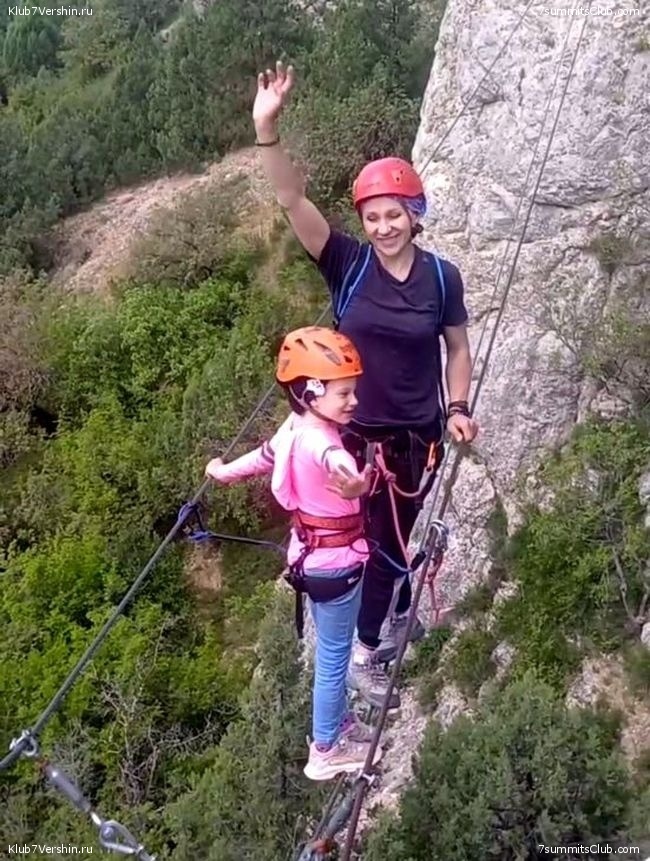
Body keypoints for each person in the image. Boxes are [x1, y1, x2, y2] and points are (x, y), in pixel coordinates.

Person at [251, 61, 479, 710]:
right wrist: (267, 130)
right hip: (350, 436)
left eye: (394, 214)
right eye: (373, 216)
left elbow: (457, 347)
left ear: (414, 215)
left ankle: (370, 638)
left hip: (415, 439)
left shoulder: (442, 278)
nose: (383, 226)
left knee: (390, 544)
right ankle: (362, 648)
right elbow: (292, 201)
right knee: (362, 545)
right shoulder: (346, 264)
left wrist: (458, 406)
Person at [205, 326, 382, 781]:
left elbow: (262, 457)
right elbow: (335, 461)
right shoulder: (323, 442)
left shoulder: (294, 426)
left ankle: (338, 724)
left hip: (307, 557)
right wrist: (356, 484)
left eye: (353, 391)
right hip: (337, 565)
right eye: (343, 393)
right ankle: (326, 749)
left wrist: (222, 473)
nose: (354, 401)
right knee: (334, 659)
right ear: (309, 393)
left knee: (329, 649)